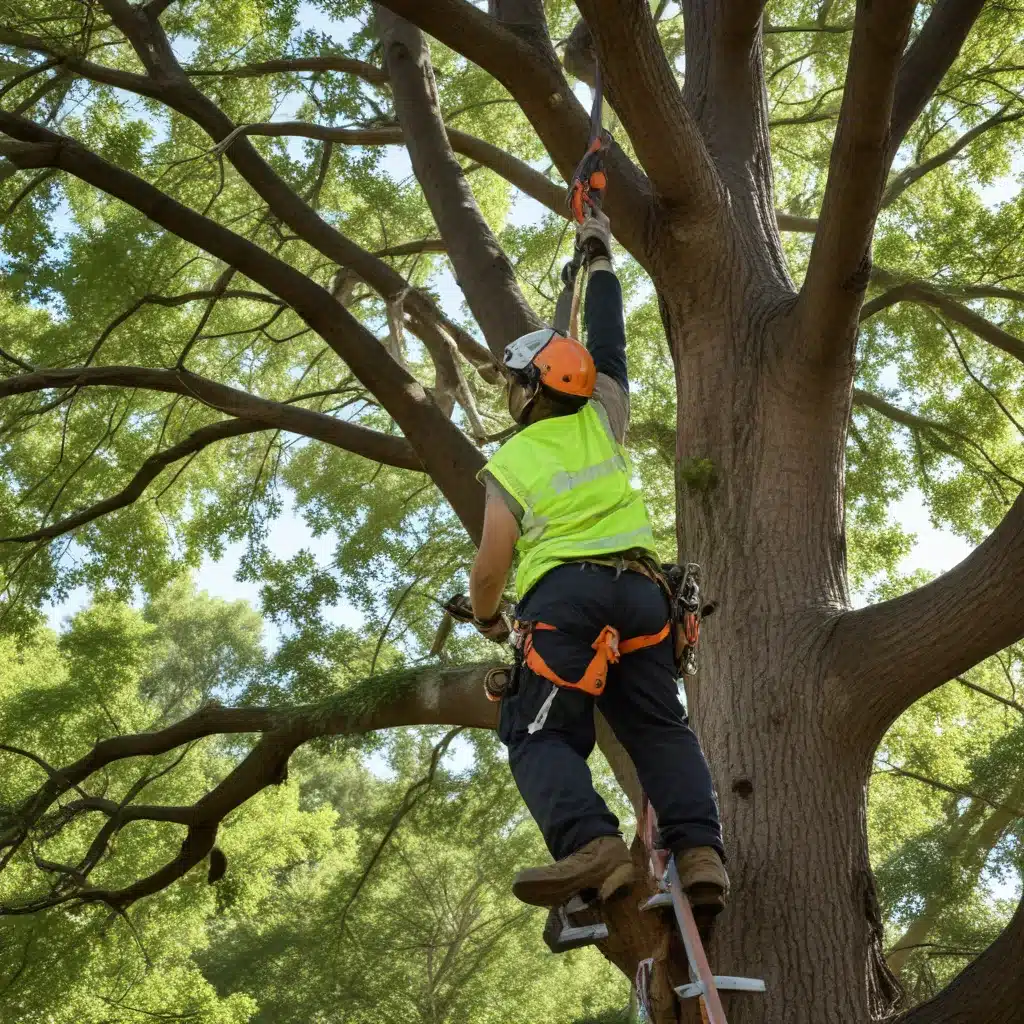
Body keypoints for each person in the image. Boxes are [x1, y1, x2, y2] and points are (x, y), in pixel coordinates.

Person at [469, 209, 728, 927]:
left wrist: (490, 618)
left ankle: (594, 848)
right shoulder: (603, 415)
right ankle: (702, 854)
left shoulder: (512, 461)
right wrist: (603, 257)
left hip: (567, 603)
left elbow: (491, 565)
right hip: (645, 601)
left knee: (538, 734)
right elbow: (610, 347)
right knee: (659, 730)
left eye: (513, 384)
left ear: (528, 389)